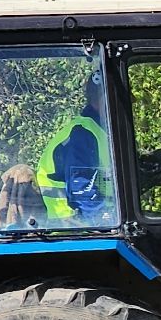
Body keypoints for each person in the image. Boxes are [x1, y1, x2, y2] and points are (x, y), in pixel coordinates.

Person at [37, 80, 113, 223]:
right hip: (72, 223)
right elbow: (81, 190)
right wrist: (105, 218)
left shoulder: (101, 131)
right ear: (105, 99)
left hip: (90, 220)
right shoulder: (83, 133)